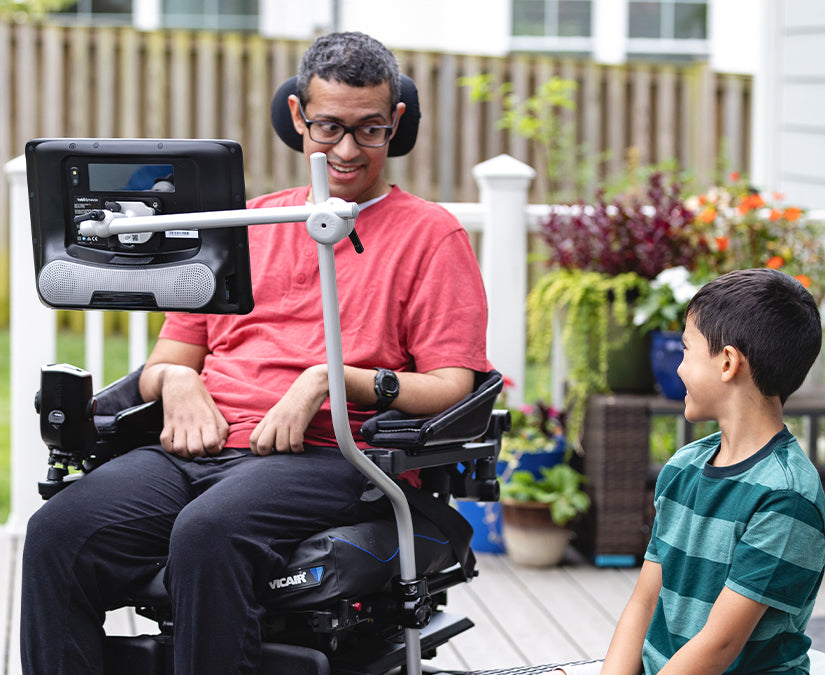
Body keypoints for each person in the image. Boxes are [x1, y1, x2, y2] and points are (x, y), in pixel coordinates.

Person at [20, 31, 490, 675]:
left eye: (370, 129)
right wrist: (178, 383)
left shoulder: (430, 236)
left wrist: (329, 381)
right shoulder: (244, 223)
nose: (347, 150)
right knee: (57, 533)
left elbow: (451, 385)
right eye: (329, 128)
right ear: (297, 115)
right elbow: (167, 362)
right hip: (200, 449)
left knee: (209, 532)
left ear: (397, 121)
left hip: (335, 456)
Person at [552, 268, 825, 675]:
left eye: (686, 349)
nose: (678, 368)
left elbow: (719, 646)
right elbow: (644, 602)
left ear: (728, 362)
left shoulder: (786, 496)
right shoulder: (683, 467)